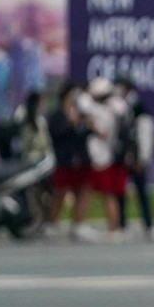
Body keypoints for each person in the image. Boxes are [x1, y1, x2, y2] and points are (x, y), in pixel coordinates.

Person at [77, 77, 129, 241]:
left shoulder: (101, 111)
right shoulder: (114, 109)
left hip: (98, 158)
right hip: (103, 157)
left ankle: (111, 227)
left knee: (102, 193)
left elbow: (83, 102)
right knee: (97, 192)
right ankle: (110, 226)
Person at [46, 82, 98, 241]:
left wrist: (87, 124)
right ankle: (52, 224)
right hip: (64, 159)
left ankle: (79, 224)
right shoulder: (57, 114)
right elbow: (56, 134)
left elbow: (85, 133)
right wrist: (70, 122)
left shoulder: (80, 112)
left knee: (84, 190)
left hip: (81, 158)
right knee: (60, 192)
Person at [115, 77, 154, 241]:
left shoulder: (137, 107)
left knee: (141, 191)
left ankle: (149, 224)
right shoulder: (119, 104)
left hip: (136, 156)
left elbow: (144, 133)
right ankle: (121, 224)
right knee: (120, 192)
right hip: (123, 156)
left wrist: (141, 158)